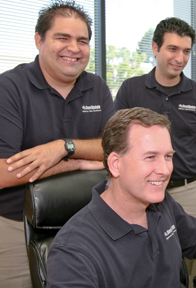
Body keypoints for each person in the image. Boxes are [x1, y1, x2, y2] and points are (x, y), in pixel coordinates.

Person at [46, 107, 196, 288]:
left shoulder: (160, 204)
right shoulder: (72, 251)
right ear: (115, 164)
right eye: (150, 157)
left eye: (168, 156)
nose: (164, 170)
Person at [0, 1, 115, 286]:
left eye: (82, 41)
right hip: (19, 226)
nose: (74, 48)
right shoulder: (10, 88)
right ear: (39, 40)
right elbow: (3, 173)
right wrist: (75, 162)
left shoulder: (97, 87)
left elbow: (115, 151)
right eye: (62, 38)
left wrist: (64, 147)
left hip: (88, 222)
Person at [114, 17, 196, 224]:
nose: (180, 58)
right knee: (140, 253)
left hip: (187, 192)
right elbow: (114, 144)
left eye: (186, 51)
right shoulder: (131, 89)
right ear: (155, 48)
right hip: (140, 190)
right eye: (173, 49)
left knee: (184, 254)